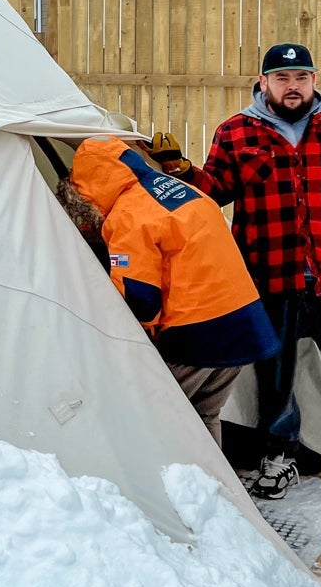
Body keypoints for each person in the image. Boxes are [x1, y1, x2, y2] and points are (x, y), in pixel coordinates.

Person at [161, 42, 321, 499]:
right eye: (282, 78)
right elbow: (214, 191)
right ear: (263, 82)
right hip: (268, 279)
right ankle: (279, 455)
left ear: (314, 80)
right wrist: (179, 170)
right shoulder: (236, 133)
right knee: (275, 381)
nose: (292, 86)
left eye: (301, 77)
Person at [63, 135, 279, 447]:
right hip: (246, 323)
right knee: (203, 415)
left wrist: (116, 336)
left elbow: (139, 297)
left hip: (197, 335)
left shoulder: (128, 215)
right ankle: (213, 479)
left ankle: (148, 478)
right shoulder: (181, 190)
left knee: (149, 418)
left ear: (89, 183)